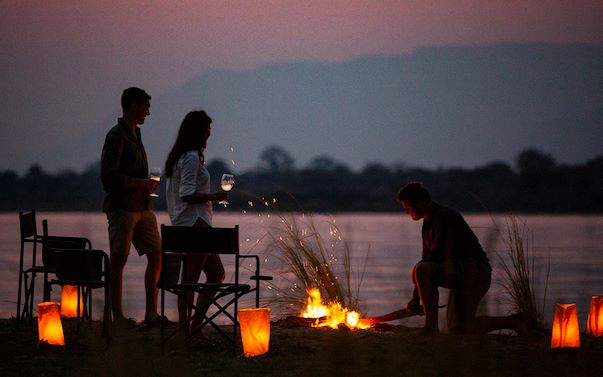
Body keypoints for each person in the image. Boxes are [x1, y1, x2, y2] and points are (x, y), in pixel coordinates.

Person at [390, 181, 523, 335]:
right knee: (459, 328)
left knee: (420, 269)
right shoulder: (427, 224)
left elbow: (433, 259)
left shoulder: (444, 216)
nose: (407, 212)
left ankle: (430, 327)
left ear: (420, 202)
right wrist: (415, 299)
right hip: (458, 274)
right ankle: (513, 321)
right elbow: (426, 260)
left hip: (474, 273)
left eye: (408, 208)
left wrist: (415, 296)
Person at [101, 87, 166, 327]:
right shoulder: (116, 135)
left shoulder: (136, 134)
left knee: (157, 254)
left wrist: (146, 187)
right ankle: (117, 317)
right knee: (119, 260)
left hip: (143, 207)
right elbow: (108, 177)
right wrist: (140, 183)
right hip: (122, 208)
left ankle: (151, 314)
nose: (148, 112)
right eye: (145, 107)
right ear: (133, 106)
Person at [164, 110, 228, 336]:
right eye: (207, 129)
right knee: (189, 282)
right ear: (198, 131)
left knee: (216, 274)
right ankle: (186, 333)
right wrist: (213, 196)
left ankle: (194, 327)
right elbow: (187, 194)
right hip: (195, 225)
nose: (209, 133)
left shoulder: (178, 157)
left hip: (184, 224)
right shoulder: (190, 156)